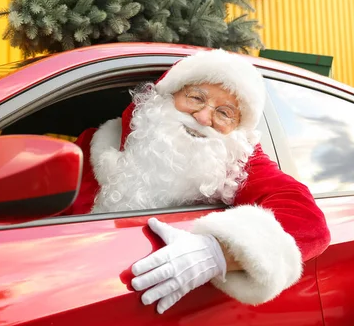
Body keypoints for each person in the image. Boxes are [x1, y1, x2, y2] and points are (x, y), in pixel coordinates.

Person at [63, 49, 331, 314]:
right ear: (170, 95)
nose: (203, 118)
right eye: (196, 98)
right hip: (65, 285)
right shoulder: (92, 144)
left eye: (225, 113)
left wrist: (217, 251)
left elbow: (308, 221)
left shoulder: (238, 162)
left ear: (237, 128)